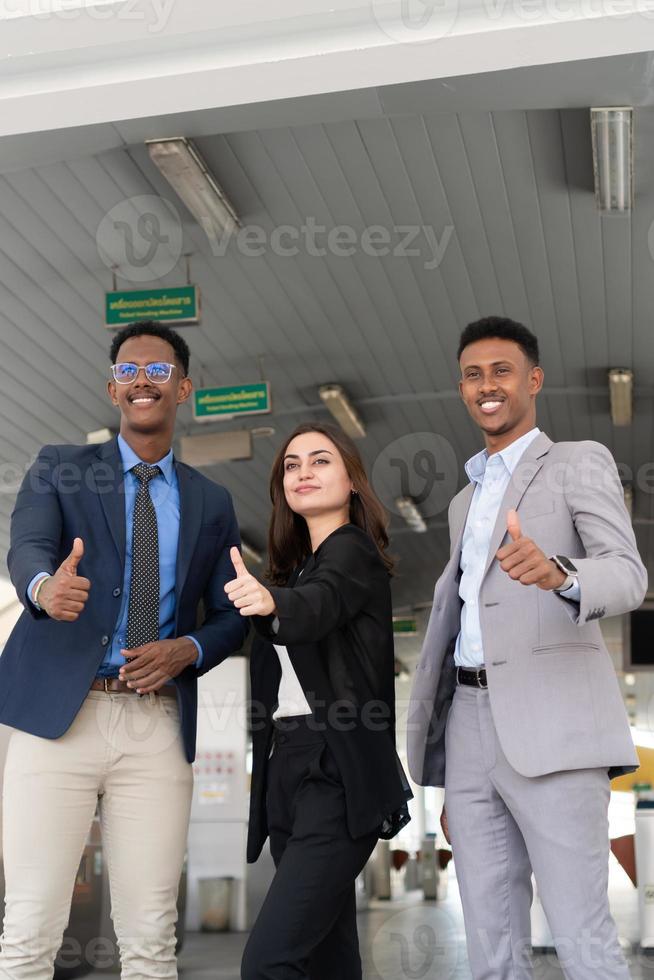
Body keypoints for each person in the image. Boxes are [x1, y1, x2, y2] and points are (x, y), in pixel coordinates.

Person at [0, 320, 247, 979]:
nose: (144, 379)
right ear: (113, 388)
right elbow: (26, 544)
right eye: (131, 370)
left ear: (183, 387)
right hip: (59, 720)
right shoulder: (60, 466)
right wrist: (45, 586)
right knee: (28, 929)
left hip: (155, 726)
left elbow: (231, 616)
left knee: (149, 938)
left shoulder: (212, 501)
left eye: (159, 370)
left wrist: (188, 647)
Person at [408, 316, 646, 980]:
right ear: (462, 388)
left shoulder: (577, 462)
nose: (488, 386)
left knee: (581, 933)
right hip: (469, 729)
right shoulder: (462, 502)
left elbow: (628, 575)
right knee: (490, 941)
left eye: (502, 371)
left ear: (533, 380)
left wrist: (562, 573)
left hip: (556, 727)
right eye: (474, 375)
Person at [224, 421, 411, 980]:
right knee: (328, 959)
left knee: (268, 962)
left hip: (335, 770)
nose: (303, 471)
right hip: (288, 766)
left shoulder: (351, 552)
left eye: (321, 460)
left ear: (353, 480)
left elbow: (318, 605)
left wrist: (271, 602)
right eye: (292, 464)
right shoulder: (297, 568)